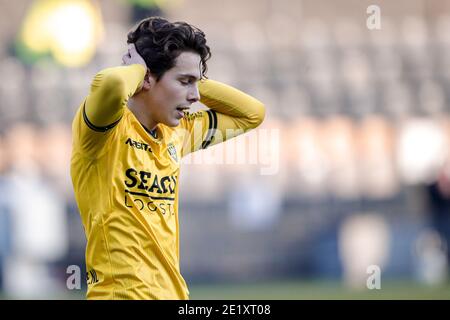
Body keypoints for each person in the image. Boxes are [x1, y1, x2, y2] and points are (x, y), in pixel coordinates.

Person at [70, 16, 265, 300]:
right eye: (185, 82)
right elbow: (111, 84)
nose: (194, 95)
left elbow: (253, 114)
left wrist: (192, 77)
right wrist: (139, 68)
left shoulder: (177, 133)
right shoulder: (103, 133)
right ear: (147, 78)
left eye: (196, 84)